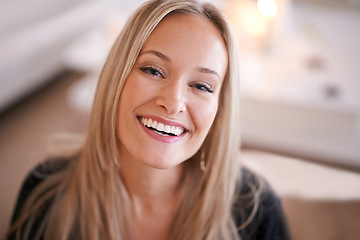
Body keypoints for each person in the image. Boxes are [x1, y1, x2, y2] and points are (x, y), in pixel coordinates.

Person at [7, 0, 290, 239]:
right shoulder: (46, 193)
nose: (173, 102)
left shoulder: (257, 211)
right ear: (117, 77)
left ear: (220, 111)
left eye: (202, 86)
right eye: (154, 71)